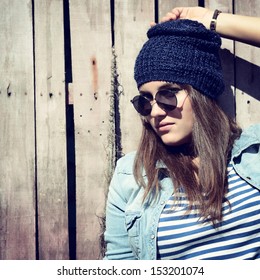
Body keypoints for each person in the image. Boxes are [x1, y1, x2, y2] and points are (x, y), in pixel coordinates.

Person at [103, 6, 260, 260]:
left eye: (168, 94)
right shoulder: (131, 178)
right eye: (145, 100)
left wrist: (213, 20)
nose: (155, 112)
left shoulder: (254, 154)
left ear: (201, 93)